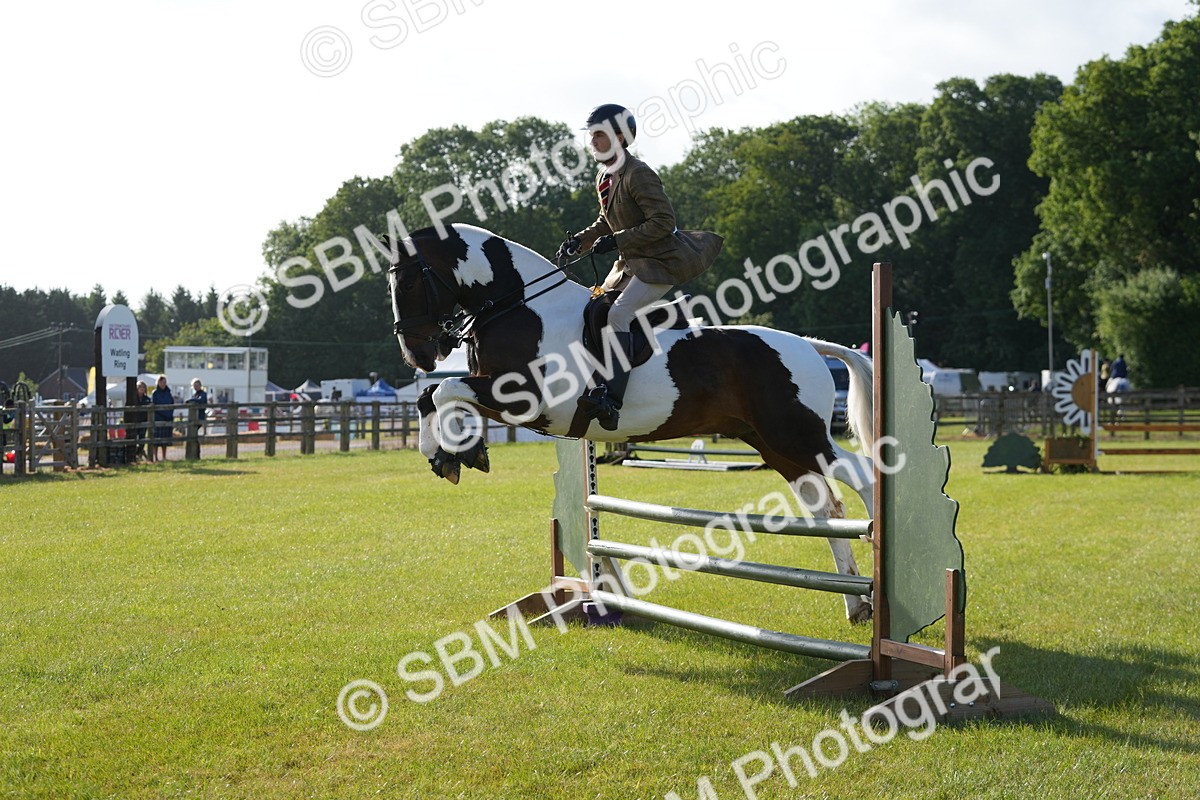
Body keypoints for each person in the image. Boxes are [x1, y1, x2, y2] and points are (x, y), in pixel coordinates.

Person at [557, 103, 723, 430]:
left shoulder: (638, 173)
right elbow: (605, 221)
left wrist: (617, 240)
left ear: (620, 137)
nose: (592, 141)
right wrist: (581, 240)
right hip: (629, 265)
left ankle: (611, 398)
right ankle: (664, 317)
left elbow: (663, 222)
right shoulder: (605, 175)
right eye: (591, 135)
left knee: (618, 315)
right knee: (593, 308)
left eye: (599, 135)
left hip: (659, 262)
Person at [151, 375, 175, 462]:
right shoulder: (155, 393)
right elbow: (155, 405)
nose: (163, 384)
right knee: (156, 440)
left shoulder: (169, 393)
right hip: (158, 418)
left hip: (167, 418)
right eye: (161, 382)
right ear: (158, 383)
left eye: (164, 382)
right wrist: (163, 413)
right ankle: (156, 457)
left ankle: (164, 457)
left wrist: (169, 414)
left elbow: (171, 404)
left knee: (165, 440)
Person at [129, 380, 153, 462]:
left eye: (143, 387)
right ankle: (134, 455)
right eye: (140, 387)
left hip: (144, 421)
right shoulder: (133, 399)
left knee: (142, 439)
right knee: (133, 438)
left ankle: (139, 452)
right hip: (134, 421)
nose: (142, 388)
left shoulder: (147, 399)